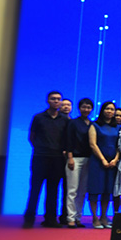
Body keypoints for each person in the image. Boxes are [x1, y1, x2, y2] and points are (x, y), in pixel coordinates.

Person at [23, 91, 69, 228]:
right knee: (35, 189)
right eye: (53, 99)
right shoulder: (38, 117)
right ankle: (29, 219)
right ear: (47, 100)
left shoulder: (65, 120)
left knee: (53, 190)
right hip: (40, 157)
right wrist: (40, 148)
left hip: (57, 159)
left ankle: (50, 219)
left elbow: (66, 138)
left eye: (58, 99)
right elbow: (32, 137)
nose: (56, 101)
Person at [87, 101, 119, 229]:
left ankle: (104, 217)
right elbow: (92, 144)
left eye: (112, 109)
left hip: (112, 163)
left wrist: (116, 159)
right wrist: (102, 159)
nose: (110, 111)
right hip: (97, 162)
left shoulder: (117, 127)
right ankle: (95, 218)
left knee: (107, 191)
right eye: (107, 109)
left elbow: (120, 145)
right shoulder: (95, 125)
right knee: (95, 190)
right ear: (102, 110)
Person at [64, 98, 93, 228]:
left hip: (89, 160)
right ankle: (70, 218)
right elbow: (68, 141)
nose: (86, 109)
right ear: (79, 108)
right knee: (72, 190)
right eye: (84, 107)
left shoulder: (92, 124)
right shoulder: (73, 123)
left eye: (88, 107)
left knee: (82, 191)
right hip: (74, 159)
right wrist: (70, 157)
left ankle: (78, 217)